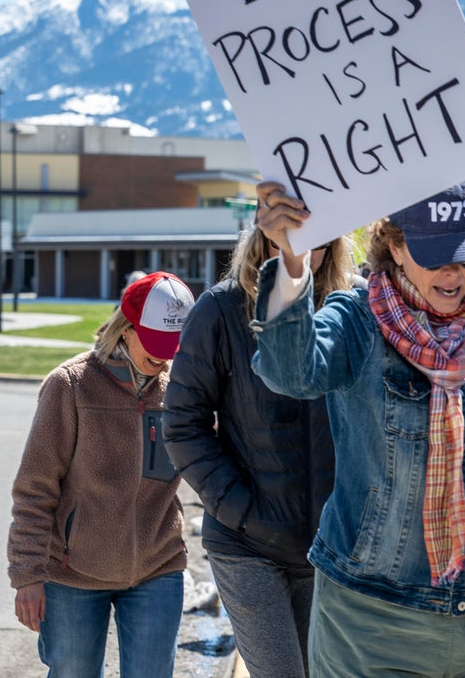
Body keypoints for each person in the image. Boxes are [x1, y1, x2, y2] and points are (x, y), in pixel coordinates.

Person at [250, 179, 465, 678]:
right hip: (369, 620)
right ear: (396, 246)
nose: (456, 273)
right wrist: (294, 264)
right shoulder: (356, 320)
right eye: (437, 255)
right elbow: (290, 373)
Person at [163, 224, 357, 677]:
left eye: (317, 241)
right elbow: (183, 423)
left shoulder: (355, 308)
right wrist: (240, 509)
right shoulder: (221, 309)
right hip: (248, 542)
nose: (301, 254)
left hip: (333, 546)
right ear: (263, 241)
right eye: (285, 241)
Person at [8, 271, 195, 678]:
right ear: (125, 329)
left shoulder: (181, 389)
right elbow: (35, 488)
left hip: (157, 566)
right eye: (156, 343)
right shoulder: (71, 386)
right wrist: (27, 573)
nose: (165, 358)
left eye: (174, 345)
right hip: (72, 574)